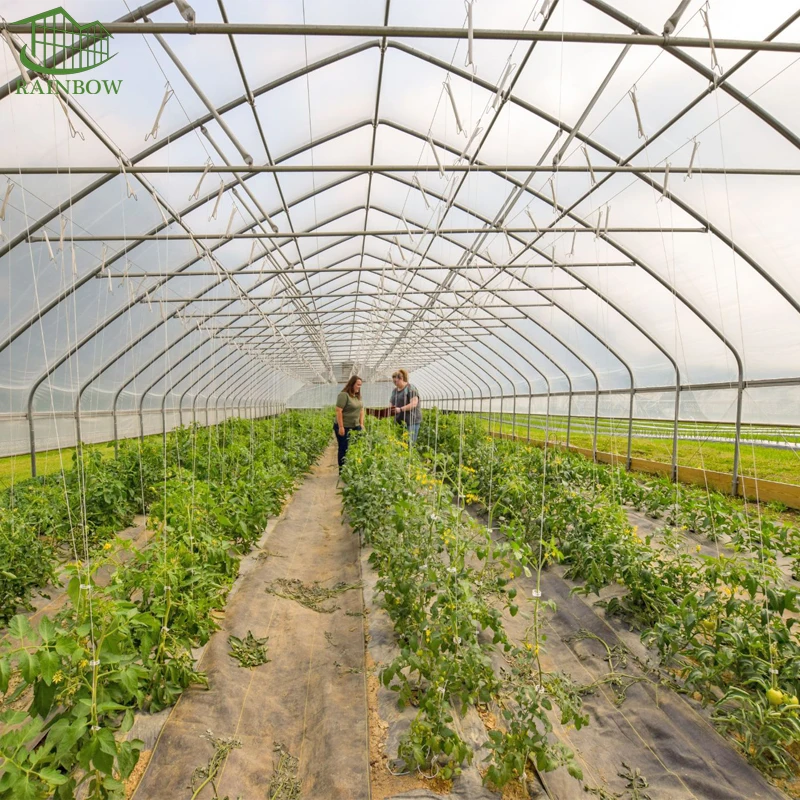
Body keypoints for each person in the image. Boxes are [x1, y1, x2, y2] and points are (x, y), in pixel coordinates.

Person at [335, 375, 364, 471]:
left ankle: (353, 468)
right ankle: (342, 471)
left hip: (356, 426)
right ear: (352, 384)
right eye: (358, 385)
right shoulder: (344, 395)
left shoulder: (357, 396)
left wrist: (361, 423)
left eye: (360, 385)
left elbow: (361, 410)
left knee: (357, 447)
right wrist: (341, 427)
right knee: (344, 448)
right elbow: (338, 411)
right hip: (344, 426)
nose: (359, 387)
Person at [389, 369, 422, 445]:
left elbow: (414, 403)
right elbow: (391, 402)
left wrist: (400, 409)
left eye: (396, 381)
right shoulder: (395, 390)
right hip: (399, 421)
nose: (395, 383)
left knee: (409, 443)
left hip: (411, 420)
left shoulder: (410, 388)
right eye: (393, 381)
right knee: (399, 443)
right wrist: (391, 409)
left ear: (402, 379)